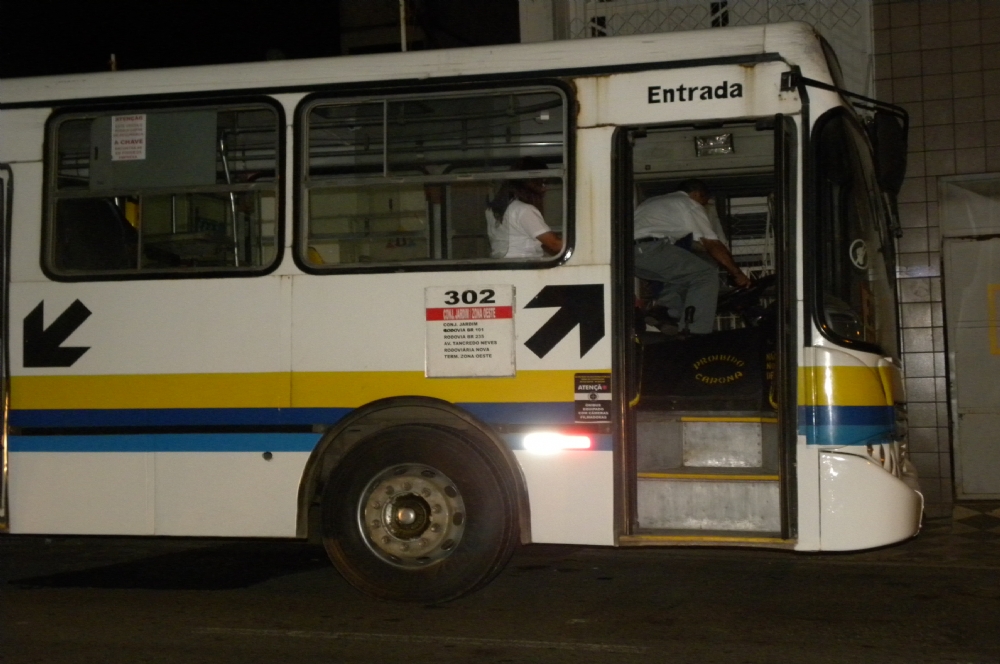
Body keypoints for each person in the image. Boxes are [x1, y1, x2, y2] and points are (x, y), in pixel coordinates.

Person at [633, 179, 751, 336]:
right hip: (648, 249)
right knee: (706, 275)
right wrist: (737, 274)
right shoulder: (689, 203)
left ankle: (663, 312)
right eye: (704, 201)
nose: (703, 206)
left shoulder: (656, 201)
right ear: (697, 194)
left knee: (686, 274)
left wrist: (714, 257)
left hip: (631, 256)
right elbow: (711, 243)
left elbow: (699, 246)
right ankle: (697, 332)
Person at [487, 157, 562, 259]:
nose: (545, 188)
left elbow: (543, 242)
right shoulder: (524, 210)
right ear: (532, 183)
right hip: (524, 266)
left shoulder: (494, 208)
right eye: (543, 182)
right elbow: (555, 244)